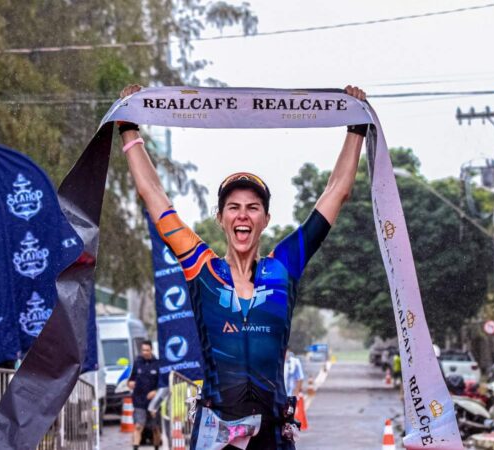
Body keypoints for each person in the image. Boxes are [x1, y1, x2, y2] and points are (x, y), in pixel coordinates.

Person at [120, 83, 367, 449]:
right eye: (233, 207)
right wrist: (129, 129)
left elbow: (336, 192)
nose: (243, 215)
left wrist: (355, 128)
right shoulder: (201, 268)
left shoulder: (284, 267)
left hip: (272, 433)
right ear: (220, 218)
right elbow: (154, 195)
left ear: (265, 219)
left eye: (253, 207)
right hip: (214, 433)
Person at [127, 341, 161, 450]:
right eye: (143, 350)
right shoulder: (137, 362)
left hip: (154, 402)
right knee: (138, 426)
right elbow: (131, 379)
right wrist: (130, 383)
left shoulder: (158, 364)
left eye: (147, 350)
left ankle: (156, 447)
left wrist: (155, 391)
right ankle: (135, 447)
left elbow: (163, 383)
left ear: (151, 350)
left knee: (155, 428)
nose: (145, 352)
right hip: (139, 400)